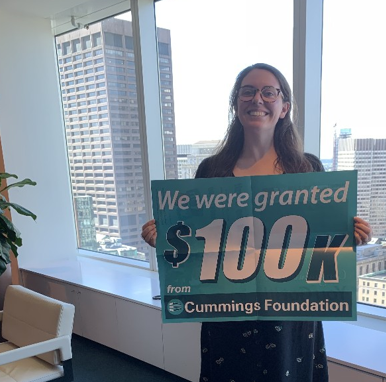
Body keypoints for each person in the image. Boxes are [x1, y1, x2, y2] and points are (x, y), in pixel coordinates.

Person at [142, 63, 372, 382]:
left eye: (269, 92)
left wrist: (351, 237)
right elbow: (195, 248)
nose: (257, 99)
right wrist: (164, 239)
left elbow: (322, 247)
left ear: (284, 107)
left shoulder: (308, 170)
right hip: (228, 315)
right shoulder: (212, 171)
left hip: (292, 317)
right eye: (247, 92)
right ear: (236, 105)